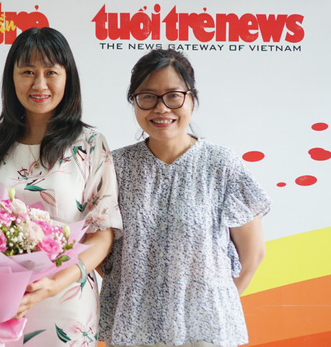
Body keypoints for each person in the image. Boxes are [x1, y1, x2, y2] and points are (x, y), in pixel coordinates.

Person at [98, 49, 272, 347]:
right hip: (133, 331)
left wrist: (212, 309)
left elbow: (253, 255)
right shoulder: (114, 167)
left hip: (205, 335)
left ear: (192, 98)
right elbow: (102, 252)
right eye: (148, 96)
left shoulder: (222, 165)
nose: (161, 108)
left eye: (173, 95)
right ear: (134, 102)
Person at [0, 27, 122, 346]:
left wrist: (54, 284)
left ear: (68, 78)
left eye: (51, 72)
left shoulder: (90, 145)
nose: (39, 84)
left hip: (67, 306)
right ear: (11, 78)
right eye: (28, 72)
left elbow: (102, 232)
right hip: (2, 308)